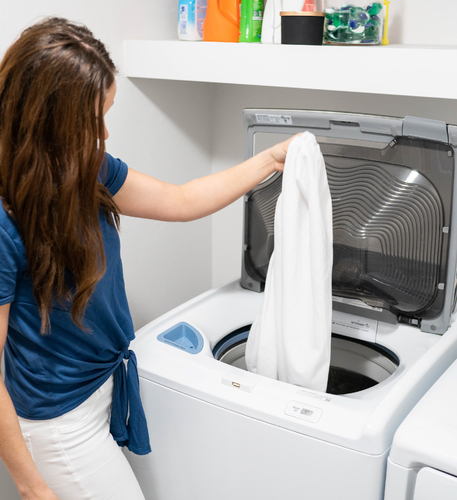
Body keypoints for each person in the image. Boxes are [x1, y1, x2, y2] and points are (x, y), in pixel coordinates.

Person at [0, 17, 293, 500]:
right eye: (91, 121)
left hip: (100, 385)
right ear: (48, 121)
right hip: (58, 421)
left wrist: (270, 160)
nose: (103, 134)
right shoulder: (5, 219)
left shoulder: (81, 166)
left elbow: (180, 200)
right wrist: (31, 486)